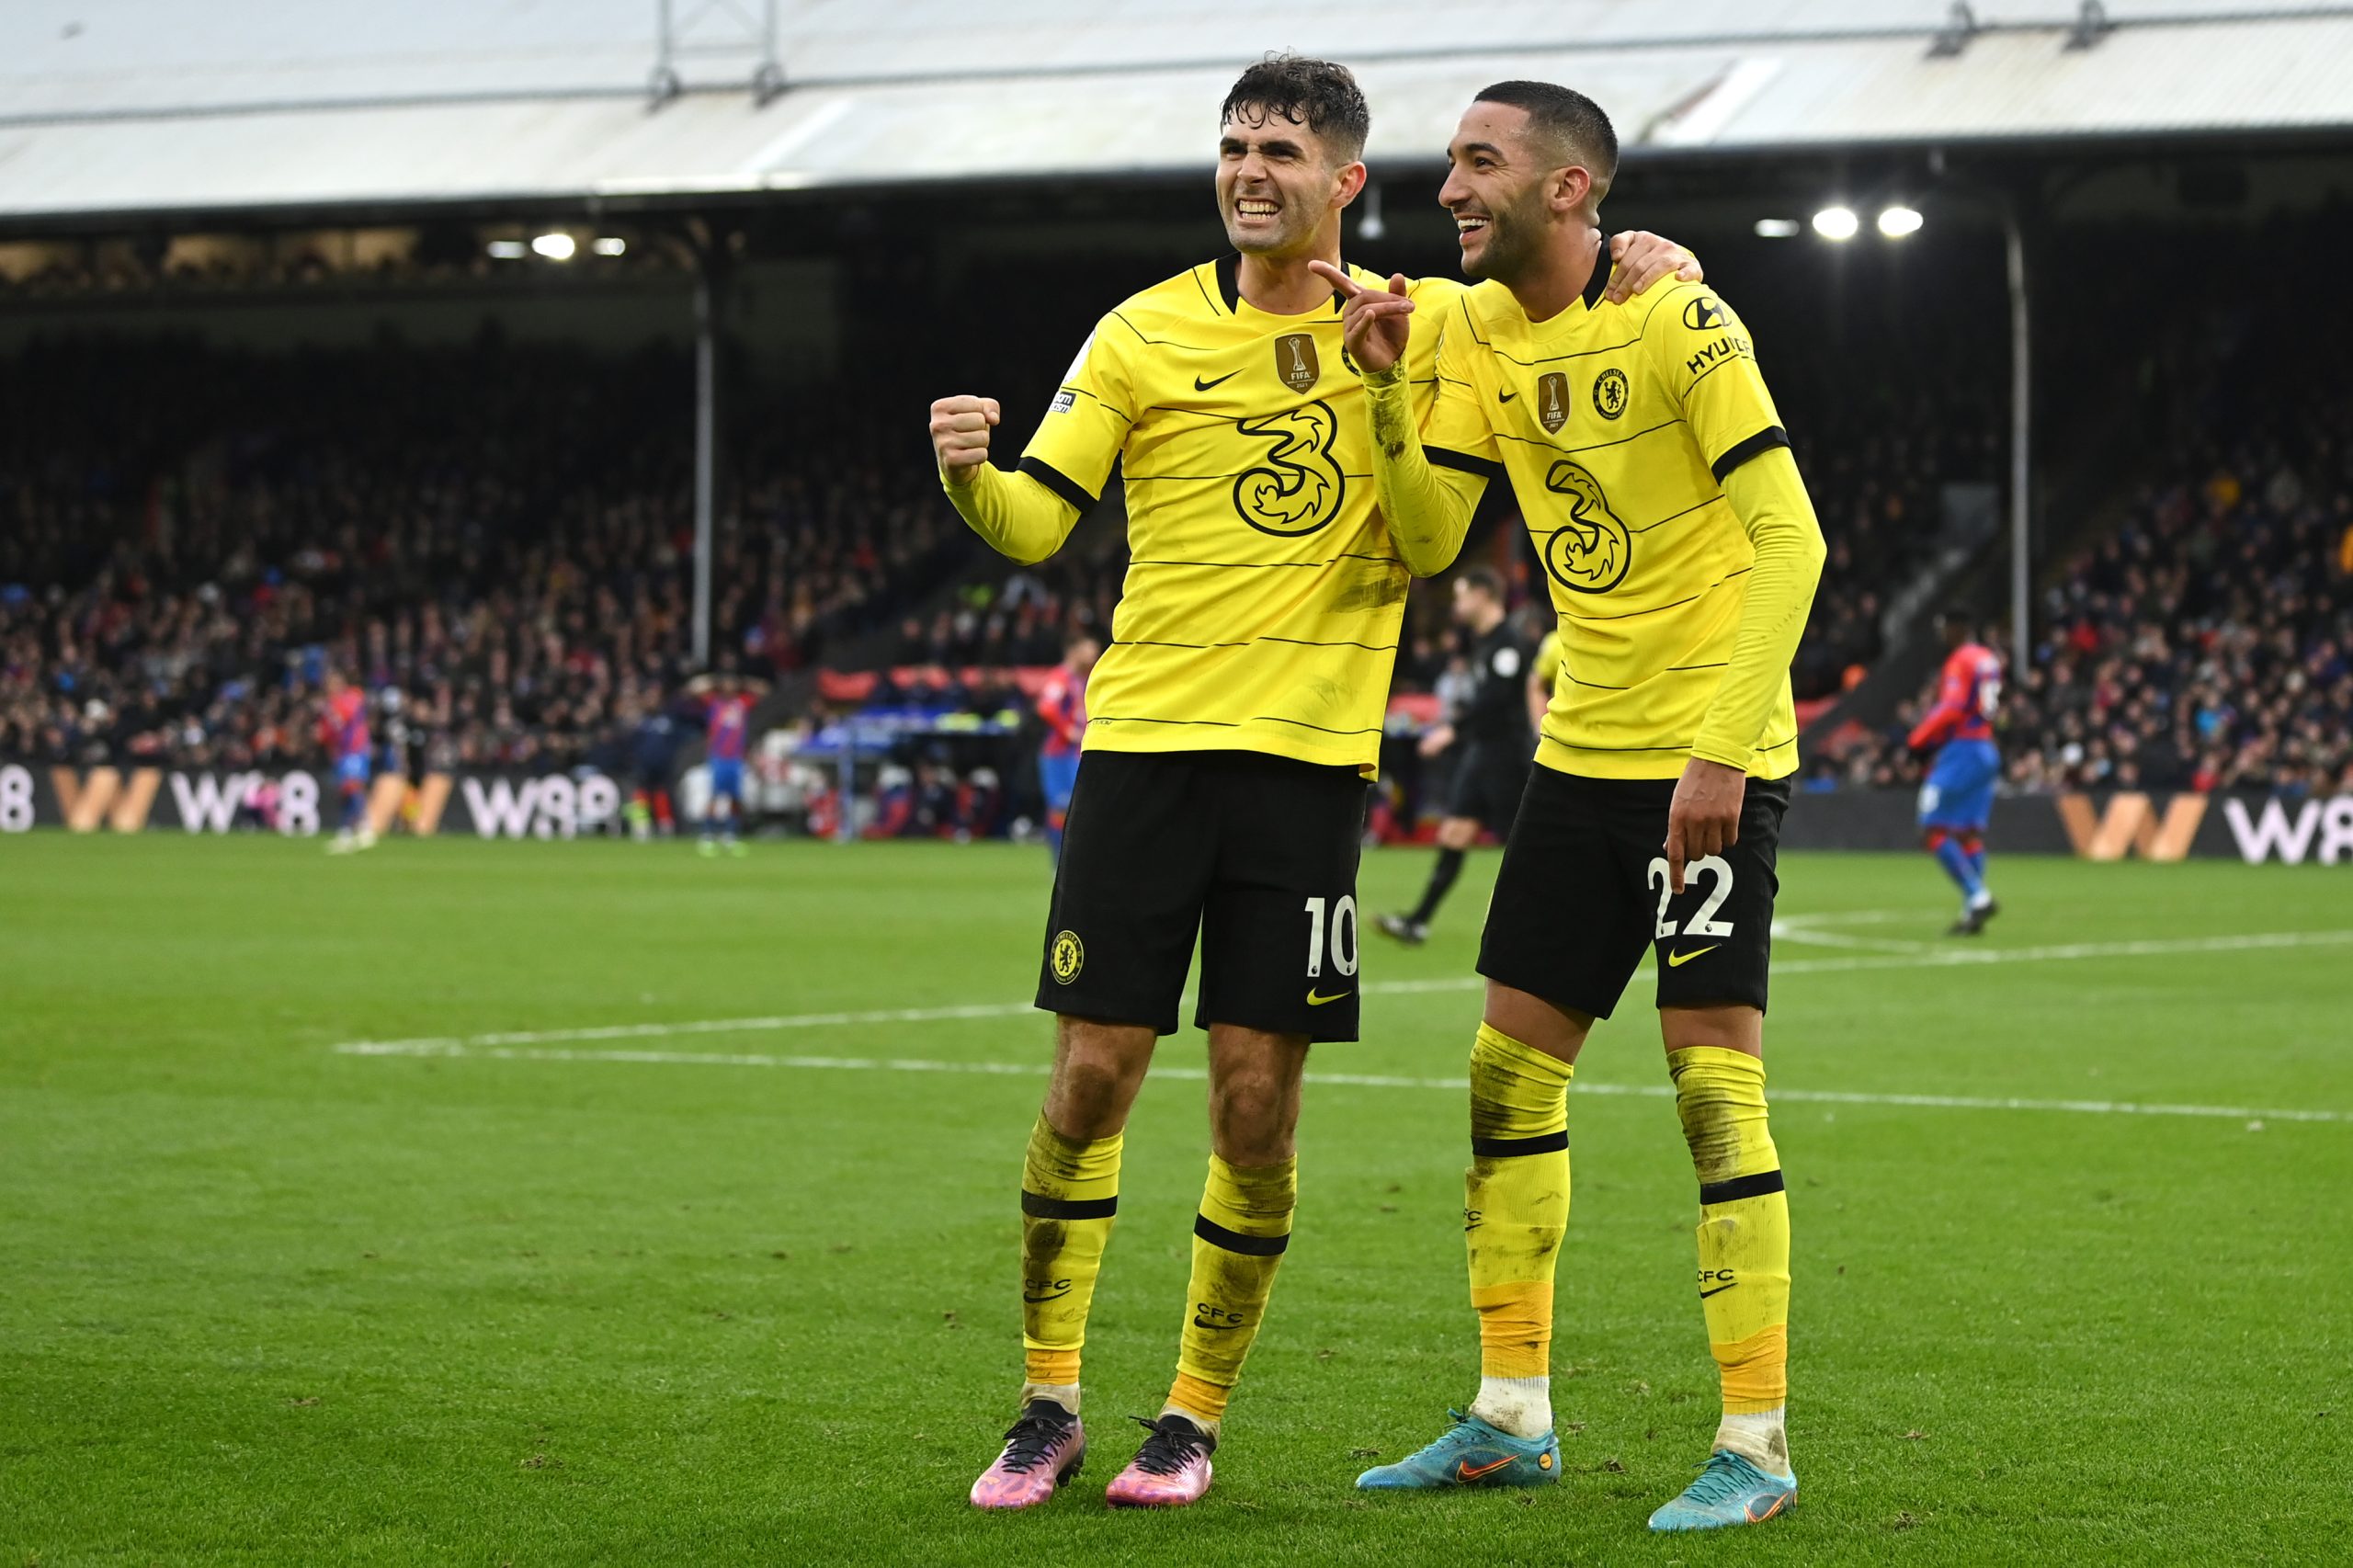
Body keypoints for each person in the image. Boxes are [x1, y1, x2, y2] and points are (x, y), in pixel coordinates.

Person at [929, 55, 1702, 1512]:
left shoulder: (1428, 319)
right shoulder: (1142, 330)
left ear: (1346, 180)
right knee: (1091, 1078)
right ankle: (1046, 1401)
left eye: (1280, 149)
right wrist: (973, 475)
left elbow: (1432, 529)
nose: (1247, 172)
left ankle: (1191, 1417)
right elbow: (1037, 521)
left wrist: (1643, 261)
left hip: (1306, 772)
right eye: (1232, 146)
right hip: (1146, 747)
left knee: (1252, 1106)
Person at [1317, 78, 1824, 1533]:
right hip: (1581, 757)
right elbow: (1425, 536)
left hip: (1708, 764)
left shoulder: (1683, 319)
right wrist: (1381, 385)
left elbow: (1793, 540)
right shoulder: (1463, 326)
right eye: (1451, 164)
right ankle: (1510, 1415)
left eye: (1481, 163)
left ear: (1571, 189)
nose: (1451, 187)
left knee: (1713, 1092)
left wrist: (1724, 751)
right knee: (1504, 1082)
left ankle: (1757, 1439)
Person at [1379, 569, 1531, 943]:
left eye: (1462, 596)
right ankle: (1418, 921)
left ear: (1483, 596)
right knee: (1454, 832)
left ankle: (1548, 920)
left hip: (1505, 757)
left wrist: (1451, 731)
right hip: (1480, 754)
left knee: (1525, 845)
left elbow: (1496, 702)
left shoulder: (1508, 644)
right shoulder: (1482, 642)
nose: (1457, 605)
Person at [1907, 608, 2004, 934]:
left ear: (1957, 627)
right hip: (1986, 748)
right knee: (1967, 834)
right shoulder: (1987, 658)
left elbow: (1952, 706)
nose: (1941, 634)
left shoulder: (1960, 660)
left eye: (1944, 627)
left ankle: (1977, 896)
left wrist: (1918, 738)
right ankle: (1971, 911)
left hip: (1962, 750)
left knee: (1932, 829)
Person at [687, 672, 767, 858]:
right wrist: (713, 680)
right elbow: (694, 688)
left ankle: (730, 836)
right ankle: (707, 836)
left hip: (736, 758)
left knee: (735, 799)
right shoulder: (714, 703)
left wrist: (747, 682)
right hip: (719, 756)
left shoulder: (741, 703)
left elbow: (764, 690)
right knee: (715, 796)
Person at [1035, 632, 1098, 862]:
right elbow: (1046, 708)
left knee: (1080, 806)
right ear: (1074, 650)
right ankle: (1058, 861)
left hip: (1078, 752)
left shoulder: (1085, 678)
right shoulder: (1059, 678)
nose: (1094, 653)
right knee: (1060, 807)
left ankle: (1076, 859)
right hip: (1058, 753)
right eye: (1089, 648)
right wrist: (1067, 730)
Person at [320, 670, 375, 854]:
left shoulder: (350, 698)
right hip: (342, 753)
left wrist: (332, 713)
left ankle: (366, 829)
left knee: (353, 787)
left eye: (332, 684)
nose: (329, 688)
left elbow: (343, 718)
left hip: (356, 750)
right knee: (345, 792)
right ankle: (346, 833)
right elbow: (328, 733)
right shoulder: (330, 705)